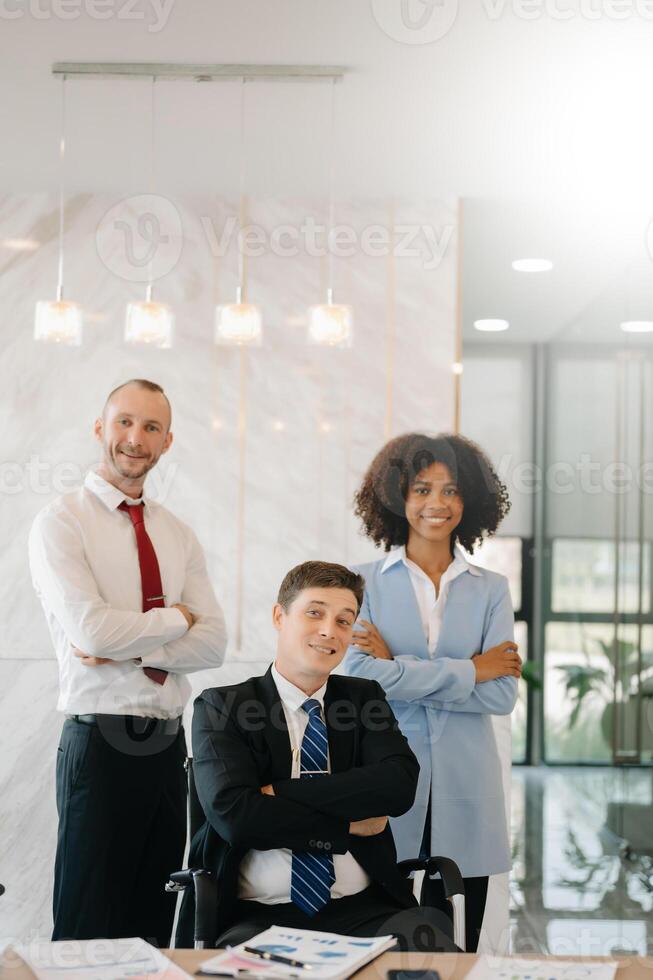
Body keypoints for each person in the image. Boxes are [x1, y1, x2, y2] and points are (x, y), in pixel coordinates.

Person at [28, 378, 227, 946]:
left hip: (168, 747)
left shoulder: (177, 533)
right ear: (100, 428)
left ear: (166, 442)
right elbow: (89, 629)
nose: (135, 438)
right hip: (99, 744)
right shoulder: (61, 521)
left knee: (152, 931)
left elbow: (213, 645)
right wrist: (175, 619)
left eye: (151, 427)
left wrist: (128, 642)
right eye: (124, 422)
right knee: (87, 925)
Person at [177, 560, 458, 951]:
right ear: (280, 616)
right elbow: (235, 815)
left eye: (345, 621)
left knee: (435, 965)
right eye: (315, 613)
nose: (329, 631)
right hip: (258, 915)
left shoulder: (364, 699)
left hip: (367, 909)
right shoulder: (223, 706)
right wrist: (344, 828)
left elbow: (398, 785)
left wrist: (279, 792)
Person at [342, 432, 522, 952]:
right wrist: (473, 669)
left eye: (451, 490)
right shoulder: (361, 582)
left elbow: (501, 696)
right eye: (422, 489)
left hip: (468, 786)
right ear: (398, 497)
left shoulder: (492, 589)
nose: (436, 504)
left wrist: (396, 668)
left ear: (471, 500)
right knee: (382, 936)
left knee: (459, 942)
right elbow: (358, 679)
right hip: (386, 777)